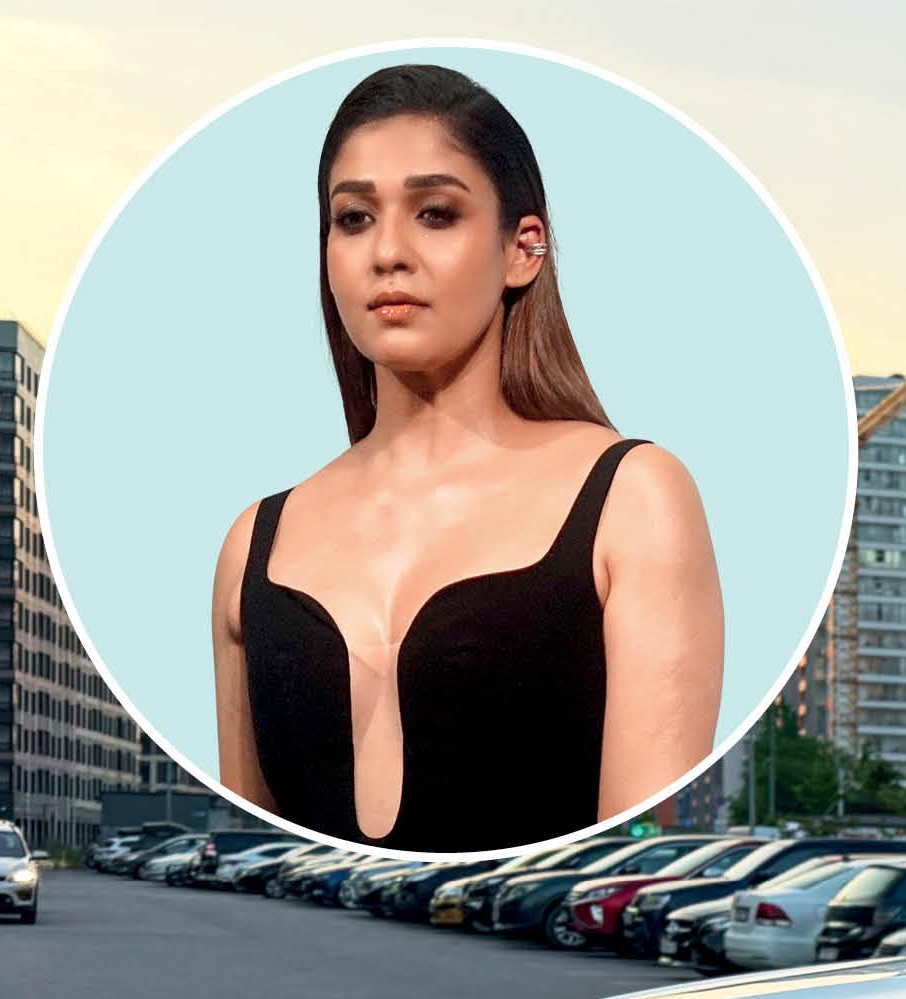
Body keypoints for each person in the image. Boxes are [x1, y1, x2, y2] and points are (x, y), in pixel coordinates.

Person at [211, 63, 722, 851]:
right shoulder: (254, 545)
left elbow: (636, 859)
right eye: (353, 219)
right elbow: (252, 872)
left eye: (436, 213)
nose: (388, 252)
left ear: (524, 249)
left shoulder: (634, 500)